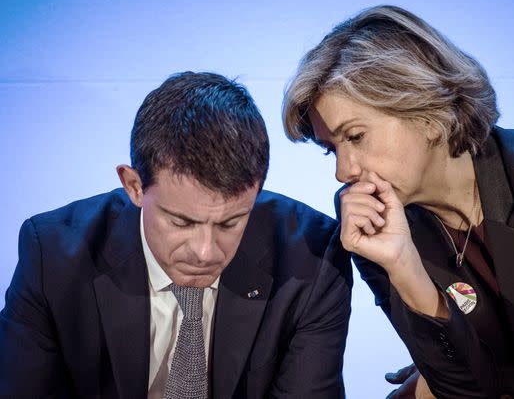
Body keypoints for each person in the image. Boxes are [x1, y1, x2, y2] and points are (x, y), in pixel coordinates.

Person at [282, 5, 514, 398]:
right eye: (332, 150)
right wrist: (404, 268)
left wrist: (489, 388)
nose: (344, 172)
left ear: (427, 112)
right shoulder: (372, 219)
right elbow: (458, 387)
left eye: (356, 137)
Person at [0, 72, 352, 398]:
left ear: (257, 190)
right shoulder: (54, 256)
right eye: (181, 222)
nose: (204, 252)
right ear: (134, 186)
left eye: (230, 223)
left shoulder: (314, 259)